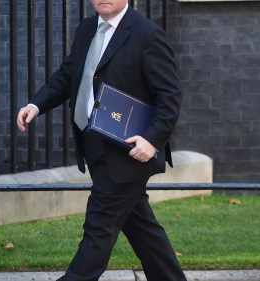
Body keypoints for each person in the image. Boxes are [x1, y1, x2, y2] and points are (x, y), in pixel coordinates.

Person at [16, 0, 185, 280]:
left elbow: (170, 96)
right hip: (93, 143)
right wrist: (36, 105)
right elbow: (69, 76)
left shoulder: (147, 35)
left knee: (99, 228)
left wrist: (152, 140)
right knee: (142, 227)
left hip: (128, 152)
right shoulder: (86, 29)